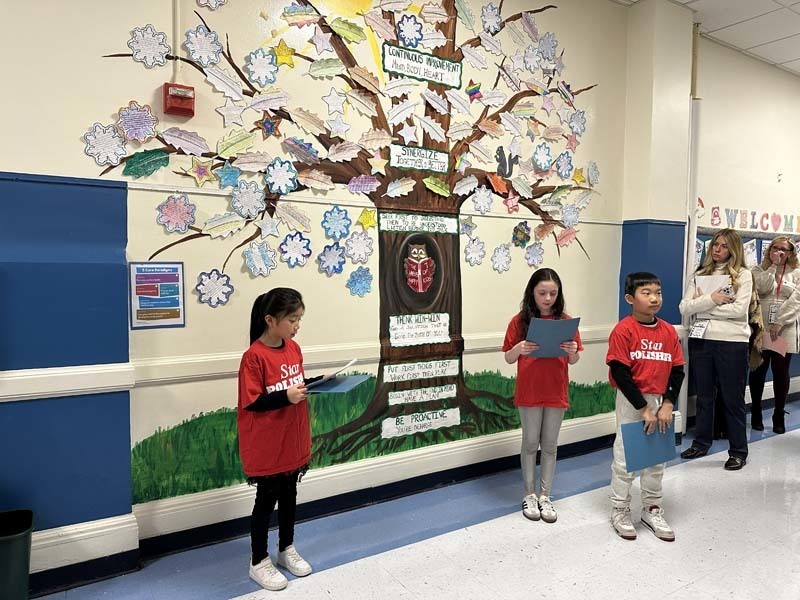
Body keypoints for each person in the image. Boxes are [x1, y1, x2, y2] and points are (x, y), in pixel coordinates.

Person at [238, 288, 320, 591]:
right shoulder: (253, 357)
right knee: (265, 501)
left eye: (299, 318)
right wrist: (287, 395)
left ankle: (286, 548)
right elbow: (254, 401)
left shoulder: (294, 348)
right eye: (292, 319)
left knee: (289, 495)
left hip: (292, 438)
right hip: (268, 443)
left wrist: (315, 384)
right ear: (270, 319)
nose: (297, 325)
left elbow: (294, 385)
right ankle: (258, 561)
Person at [606, 272, 685, 541]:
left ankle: (652, 508)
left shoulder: (667, 331)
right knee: (626, 458)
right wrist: (643, 409)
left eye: (658, 292)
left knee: (656, 459)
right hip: (632, 401)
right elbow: (620, 372)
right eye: (646, 293)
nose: (654, 298)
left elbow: (677, 370)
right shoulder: (623, 330)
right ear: (630, 298)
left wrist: (667, 404)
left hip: (660, 400)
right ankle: (620, 508)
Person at [502, 268, 582, 524]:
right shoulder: (519, 321)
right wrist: (518, 348)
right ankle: (529, 494)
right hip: (529, 391)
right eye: (542, 293)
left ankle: (546, 495)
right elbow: (508, 357)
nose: (547, 298)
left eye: (553, 293)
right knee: (529, 443)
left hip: (556, 390)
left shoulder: (566, 321)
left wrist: (571, 351)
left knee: (549, 445)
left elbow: (575, 358)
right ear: (532, 293)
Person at [679, 228, 752, 470]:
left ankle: (738, 451)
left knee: (732, 399)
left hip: (732, 343)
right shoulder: (700, 274)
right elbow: (684, 307)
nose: (717, 250)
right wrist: (712, 299)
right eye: (714, 245)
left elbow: (739, 311)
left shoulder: (743, 275)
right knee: (704, 397)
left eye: (723, 246)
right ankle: (701, 443)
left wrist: (704, 307)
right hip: (701, 340)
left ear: (733, 249)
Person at [749, 236, 800, 434]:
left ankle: (779, 412)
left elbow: (797, 300)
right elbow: (762, 288)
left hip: (783, 328)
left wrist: (780, 321)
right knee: (758, 370)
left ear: (790, 253)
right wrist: (772, 267)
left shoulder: (796, 272)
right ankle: (755, 411)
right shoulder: (757, 269)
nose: (778, 252)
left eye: (783, 249)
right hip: (761, 326)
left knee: (780, 371)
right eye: (774, 248)